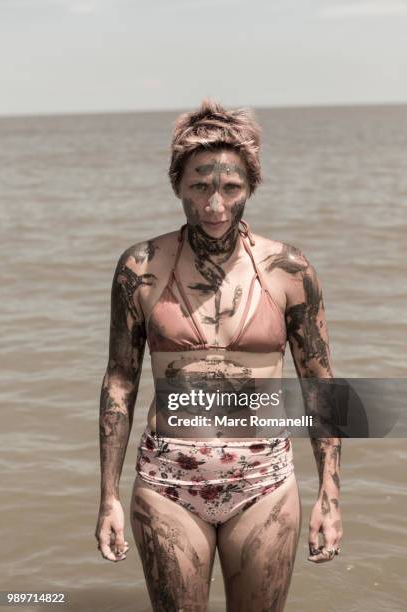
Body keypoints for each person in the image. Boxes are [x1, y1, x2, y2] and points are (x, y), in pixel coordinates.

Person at [95, 99, 343, 612]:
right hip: (168, 479)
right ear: (178, 186)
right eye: (200, 187)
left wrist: (330, 496)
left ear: (250, 186)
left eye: (230, 188)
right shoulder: (140, 267)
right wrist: (108, 497)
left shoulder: (288, 269)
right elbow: (120, 380)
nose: (215, 205)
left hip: (265, 480)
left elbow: (319, 383)